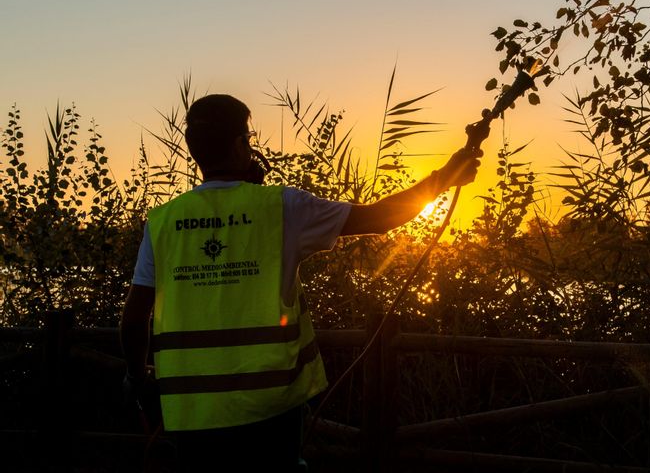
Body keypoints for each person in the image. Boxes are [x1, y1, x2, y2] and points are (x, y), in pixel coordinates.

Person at [119, 93, 485, 471]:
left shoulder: (163, 222)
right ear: (240, 144)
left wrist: (135, 375)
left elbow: (133, 320)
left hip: (191, 410)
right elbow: (377, 218)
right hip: (270, 406)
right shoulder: (283, 208)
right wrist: (443, 179)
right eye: (248, 137)